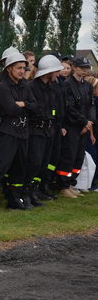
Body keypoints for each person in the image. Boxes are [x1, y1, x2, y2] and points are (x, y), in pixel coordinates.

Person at [0, 51, 33, 212]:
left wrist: (22, 104)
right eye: (18, 68)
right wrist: (24, 105)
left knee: (19, 167)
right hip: (7, 131)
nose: (22, 71)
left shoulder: (26, 85)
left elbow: (37, 107)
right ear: (9, 68)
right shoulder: (2, 87)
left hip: (23, 131)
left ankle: (14, 198)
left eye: (24, 68)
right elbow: (11, 109)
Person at [55, 57, 95, 198]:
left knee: (78, 156)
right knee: (68, 156)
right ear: (75, 68)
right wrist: (83, 121)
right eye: (82, 67)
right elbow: (69, 108)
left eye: (87, 68)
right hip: (72, 126)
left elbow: (90, 106)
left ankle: (72, 183)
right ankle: (63, 186)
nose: (85, 70)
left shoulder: (87, 86)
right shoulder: (67, 85)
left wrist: (89, 122)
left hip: (84, 127)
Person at [27, 55, 64, 205]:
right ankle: (28, 191)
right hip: (36, 131)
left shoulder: (52, 88)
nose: (58, 75)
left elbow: (55, 109)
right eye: (55, 71)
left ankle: (38, 190)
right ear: (48, 72)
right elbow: (33, 109)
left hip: (49, 130)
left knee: (44, 163)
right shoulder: (31, 87)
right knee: (34, 162)